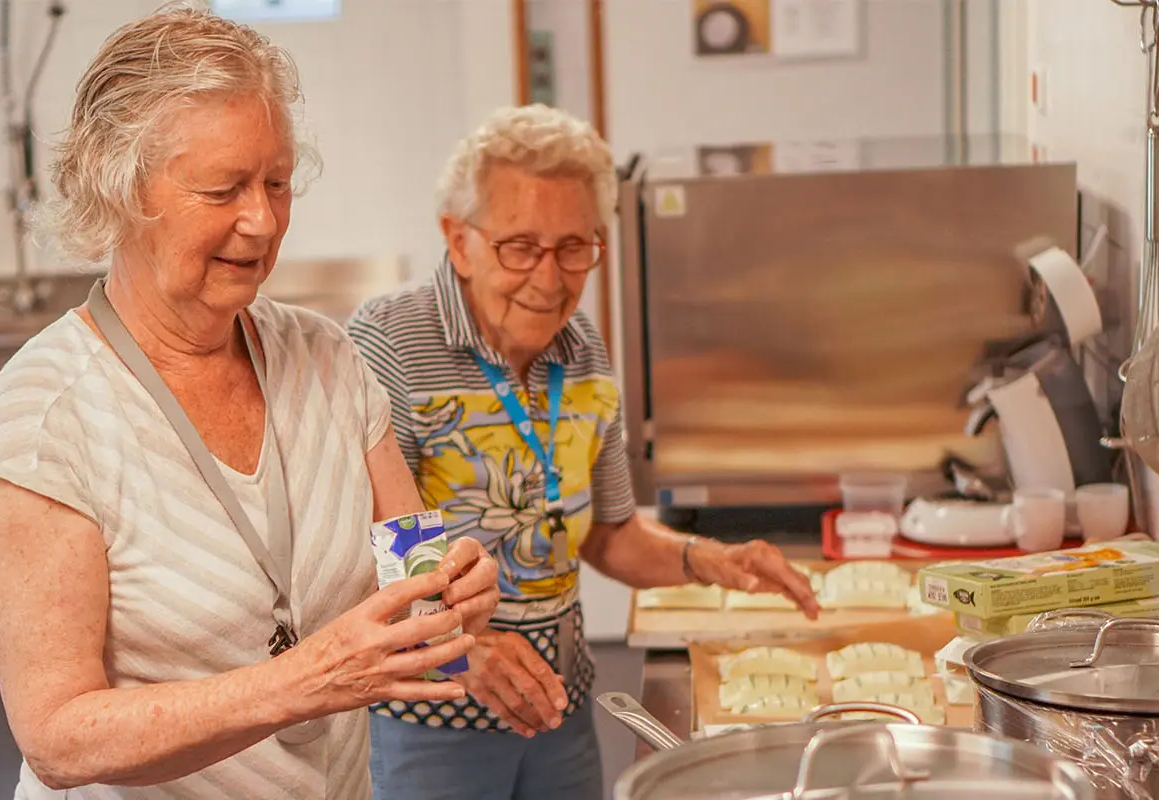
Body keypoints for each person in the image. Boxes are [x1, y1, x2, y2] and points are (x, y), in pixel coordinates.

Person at [0, 8, 499, 799]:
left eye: (276, 182)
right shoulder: (48, 421)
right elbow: (59, 738)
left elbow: (414, 579)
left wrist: (451, 597)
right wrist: (304, 679)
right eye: (223, 188)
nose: (263, 220)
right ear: (119, 189)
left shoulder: (327, 360)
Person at [345, 105, 820, 800]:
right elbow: (371, 555)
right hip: (433, 716)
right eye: (519, 247)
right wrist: (468, 649)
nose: (550, 276)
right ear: (459, 240)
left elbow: (608, 535)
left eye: (575, 246)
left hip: (558, 704)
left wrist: (713, 561)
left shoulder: (583, 349)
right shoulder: (391, 344)